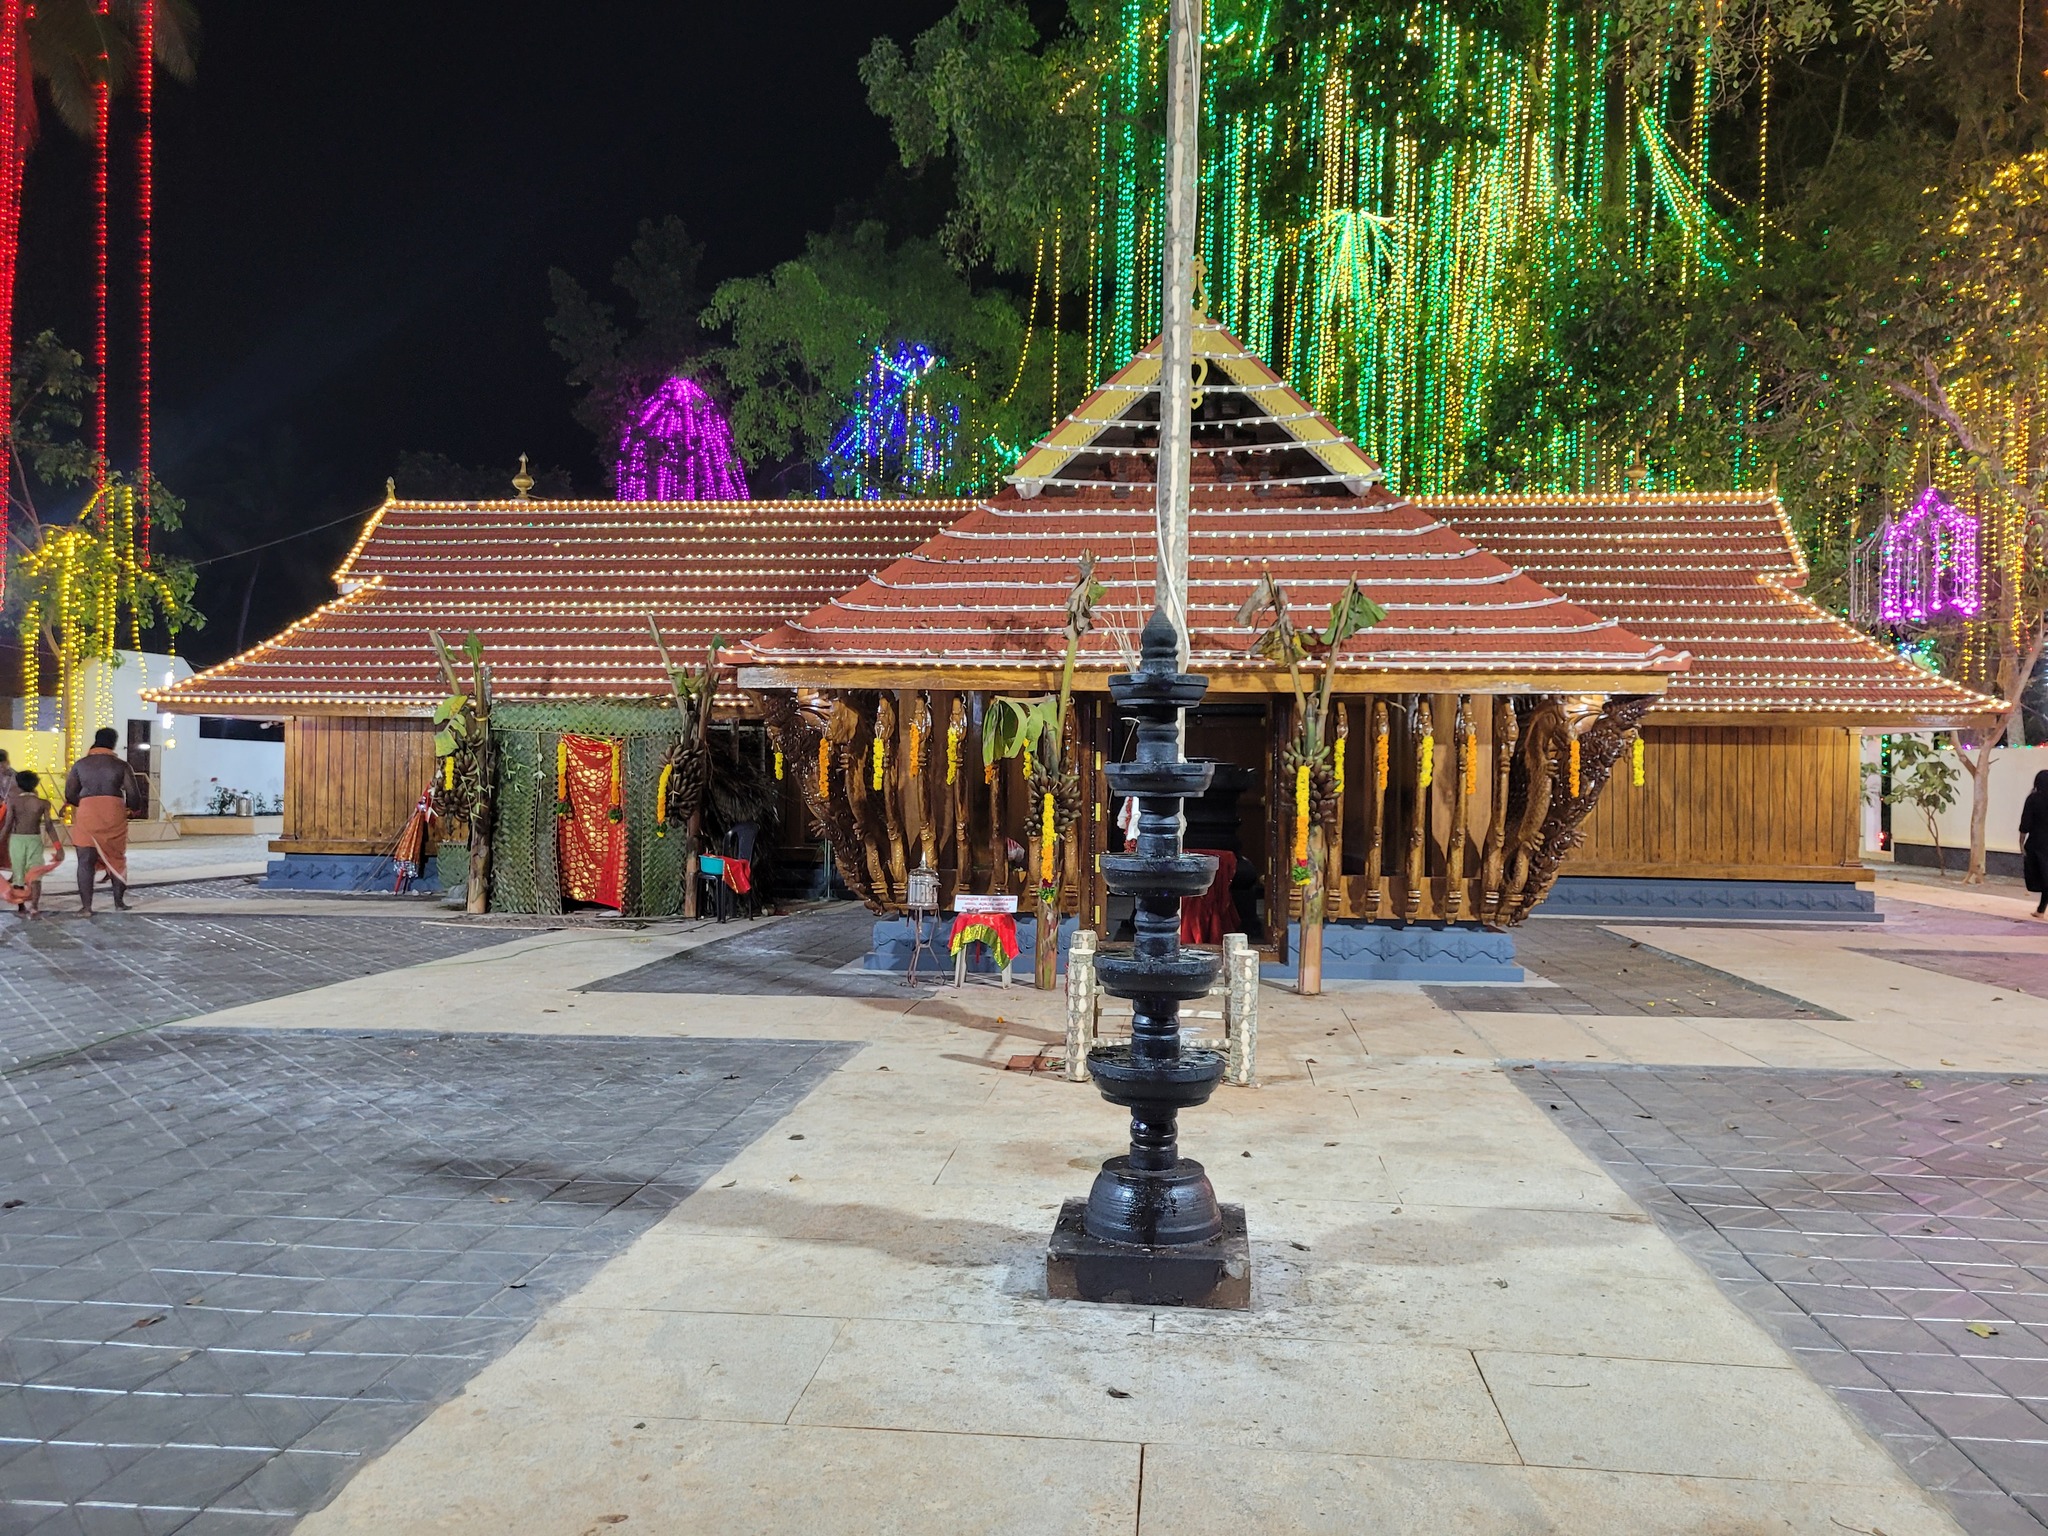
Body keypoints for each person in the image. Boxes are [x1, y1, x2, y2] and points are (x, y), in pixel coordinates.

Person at [64, 727, 145, 915]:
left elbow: (70, 793)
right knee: (116, 857)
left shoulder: (80, 764)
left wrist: (85, 803)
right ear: (114, 743)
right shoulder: (121, 765)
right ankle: (118, 903)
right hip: (112, 810)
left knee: (85, 861)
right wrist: (134, 810)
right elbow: (133, 794)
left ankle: (86, 907)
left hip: (87, 811)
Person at [0, 769, 59, 916]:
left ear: (18, 785)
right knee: (35, 873)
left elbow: (8, 826)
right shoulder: (43, 803)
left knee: (18, 873)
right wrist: (58, 847)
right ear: (35, 785)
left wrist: (0, 840)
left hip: (16, 840)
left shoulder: (13, 801)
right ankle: (34, 906)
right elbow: (49, 826)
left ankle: (21, 907)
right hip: (34, 840)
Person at [2023, 769, 2048, 918]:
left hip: (2038, 842)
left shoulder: (2033, 799)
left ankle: (2040, 910)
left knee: (2043, 876)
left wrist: (2021, 841)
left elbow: (2026, 822)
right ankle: (2040, 909)